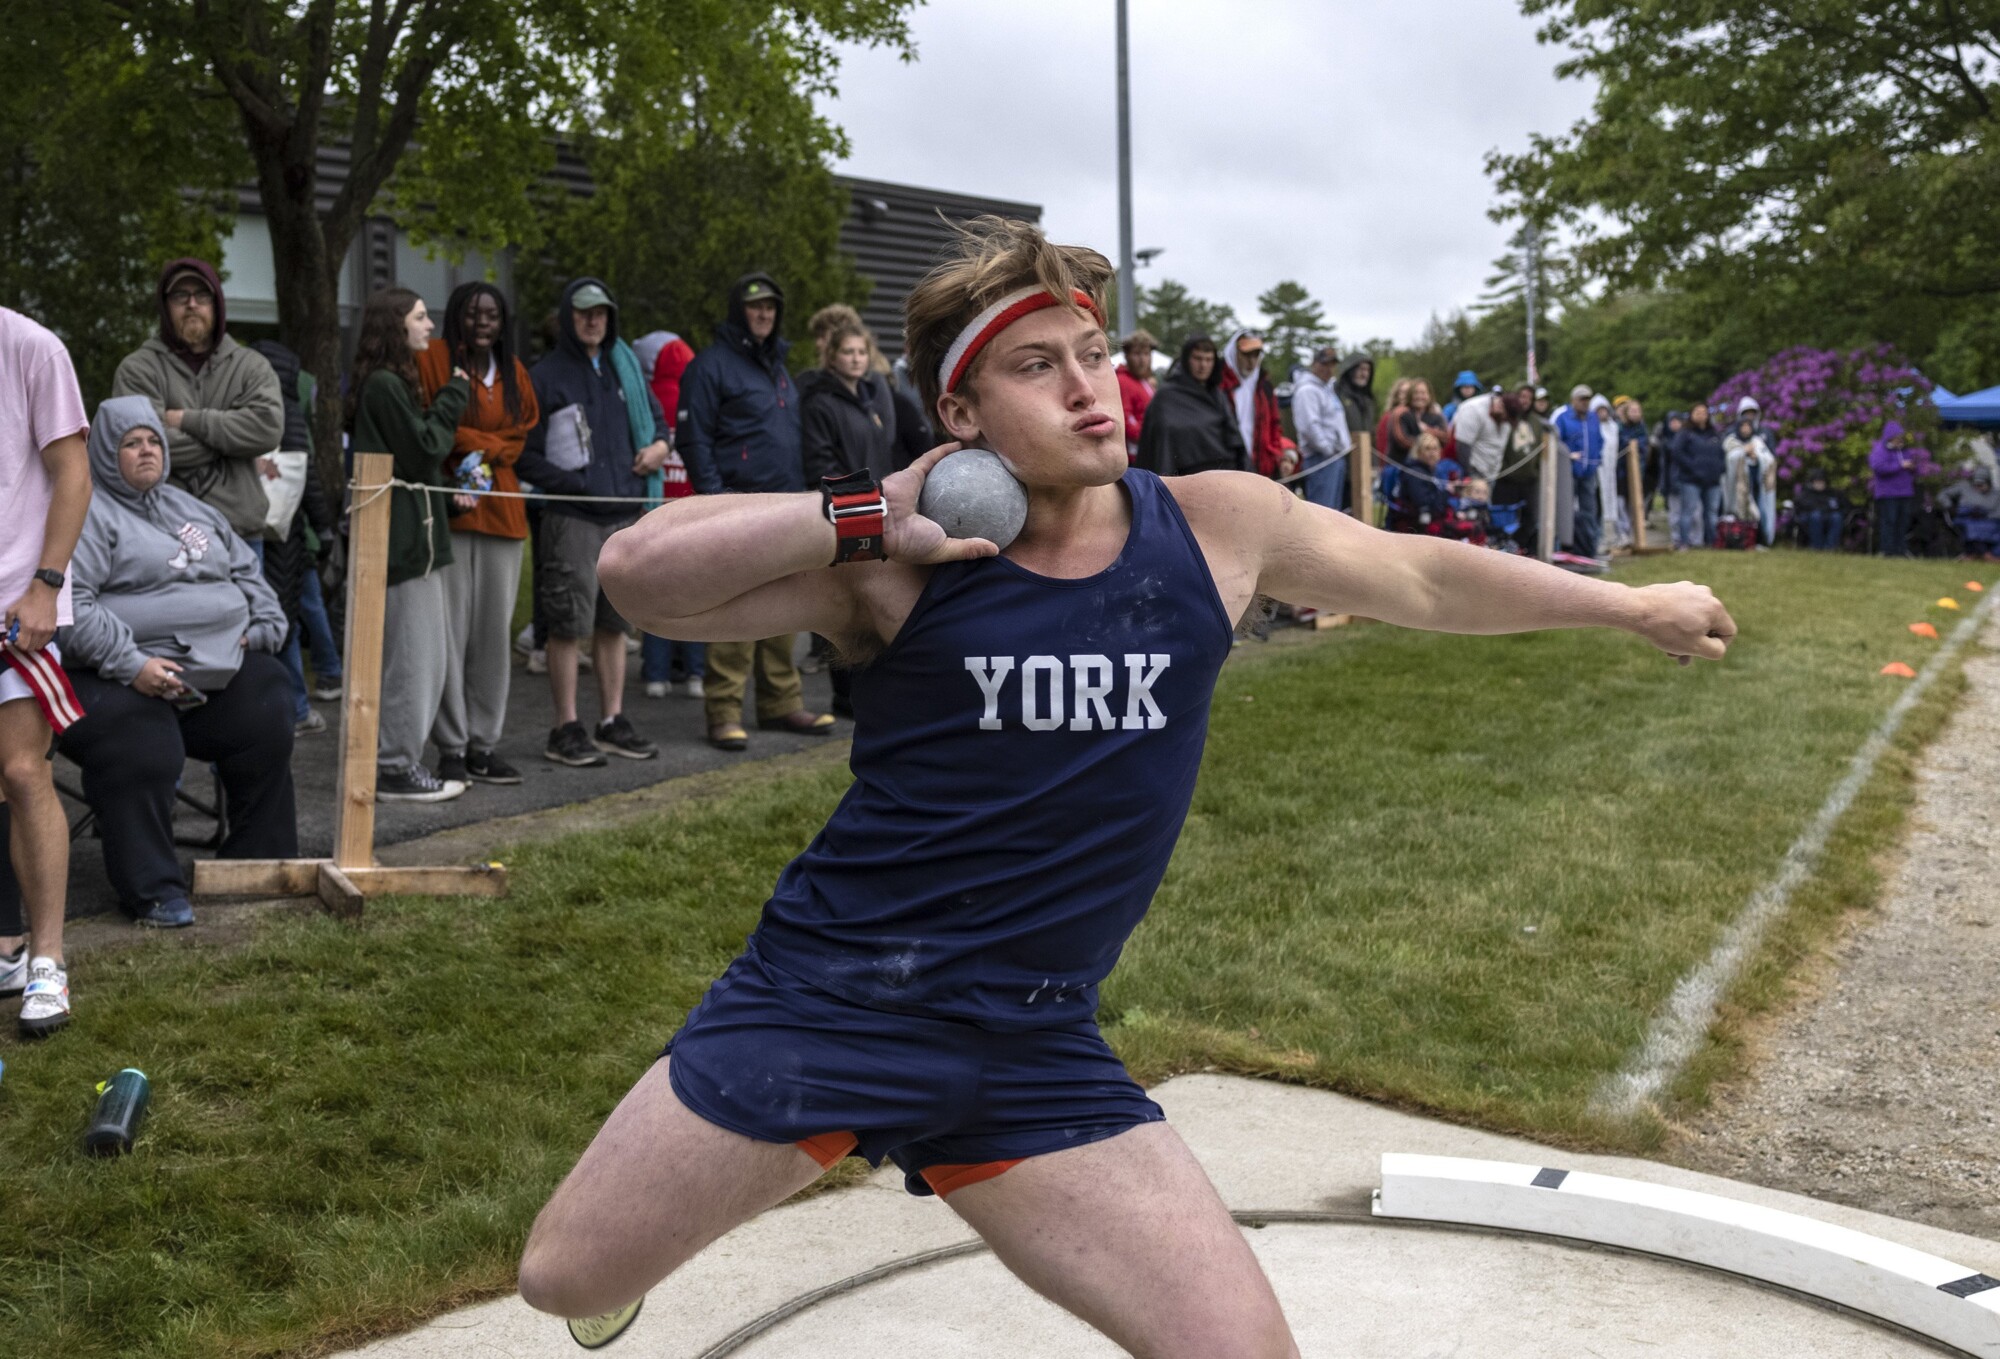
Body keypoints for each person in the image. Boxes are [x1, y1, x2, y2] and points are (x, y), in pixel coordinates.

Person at [518, 217, 1736, 1355]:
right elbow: (640, 577)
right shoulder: (897, 565)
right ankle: (645, 1254)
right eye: (1036, 367)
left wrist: (1626, 604)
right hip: (832, 1001)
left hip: (1032, 1037)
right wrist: (873, 512)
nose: (1086, 386)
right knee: (563, 1279)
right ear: (960, 412)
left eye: (1093, 354)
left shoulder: (1214, 526)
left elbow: (1421, 579)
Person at [50, 396, 298, 926]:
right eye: (130, 443)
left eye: (152, 441)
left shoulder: (196, 511)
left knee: (271, 699)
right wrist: (132, 663)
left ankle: (257, 861)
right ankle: (154, 890)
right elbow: (71, 611)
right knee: (143, 737)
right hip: (109, 676)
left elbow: (253, 582)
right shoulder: (86, 516)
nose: (146, 451)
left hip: (211, 672)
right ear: (104, 454)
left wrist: (259, 633)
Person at [676, 272, 835, 751]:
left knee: (784, 607)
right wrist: (713, 498)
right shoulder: (711, 366)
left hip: (785, 502)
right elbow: (693, 437)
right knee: (735, 612)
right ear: (738, 310)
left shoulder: (779, 366)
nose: (764, 313)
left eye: (771, 306)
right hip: (734, 505)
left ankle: (781, 705)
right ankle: (723, 712)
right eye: (754, 306)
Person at [516, 278, 668, 766]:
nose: (593, 320)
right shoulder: (544, 375)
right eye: (583, 313)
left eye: (601, 312)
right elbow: (525, 456)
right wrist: (574, 484)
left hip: (625, 514)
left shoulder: (625, 369)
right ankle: (565, 727)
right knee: (567, 625)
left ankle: (611, 721)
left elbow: (661, 426)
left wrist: (660, 448)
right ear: (567, 317)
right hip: (573, 517)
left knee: (613, 625)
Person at [0, 305, 91, 1038]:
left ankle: (49, 962)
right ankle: (6, 948)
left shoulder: (31, 345)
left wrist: (46, 584)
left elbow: (74, 476)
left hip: (15, 606)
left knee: (25, 773)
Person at [349, 287, 472, 801]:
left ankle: (402, 761)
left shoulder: (395, 383)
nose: (429, 325)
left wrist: (443, 505)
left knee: (431, 661)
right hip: (400, 553)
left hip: (417, 545)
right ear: (395, 325)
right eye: (421, 317)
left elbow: (406, 469)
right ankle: (396, 767)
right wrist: (454, 395)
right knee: (412, 664)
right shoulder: (382, 384)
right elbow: (422, 453)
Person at [417, 281, 540, 787]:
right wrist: (489, 444)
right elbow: (433, 423)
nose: (483, 321)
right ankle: (451, 747)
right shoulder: (435, 358)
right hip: (451, 513)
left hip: (503, 516)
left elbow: (523, 433)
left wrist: (483, 446)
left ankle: (484, 746)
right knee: (450, 635)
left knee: (492, 637)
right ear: (457, 317)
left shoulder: (514, 371)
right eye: (472, 313)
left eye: (492, 313)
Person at [112, 258, 284, 547]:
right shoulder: (137, 369)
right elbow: (144, 449)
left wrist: (186, 420)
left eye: (202, 295)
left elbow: (267, 430)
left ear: (216, 304)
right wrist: (229, 442)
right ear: (165, 307)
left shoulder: (251, 367)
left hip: (239, 536)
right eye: (181, 296)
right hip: (162, 536)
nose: (192, 304)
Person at [801, 322, 900, 720]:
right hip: (843, 513)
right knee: (843, 609)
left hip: (876, 508)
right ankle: (844, 697)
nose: (856, 359)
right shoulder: (820, 402)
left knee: (873, 604)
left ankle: (869, 692)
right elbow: (819, 461)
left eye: (862, 352)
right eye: (848, 352)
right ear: (832, 356)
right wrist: (851, 499)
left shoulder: (872, 398)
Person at [248, 338, 338, 736]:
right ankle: (299, 705)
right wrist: (324, 526)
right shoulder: (289, 410)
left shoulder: (250, 407)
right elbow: (306, 474)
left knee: (281, 615)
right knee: (289, 616)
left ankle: (296, 703)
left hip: (265, 529)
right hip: (286, 532)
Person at [631, 329, 705, 701]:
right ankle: (695, 673)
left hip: (656, 512)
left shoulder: (648, 398)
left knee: (656, 594)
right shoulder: (696, 396)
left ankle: (656, 674)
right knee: (696, 595)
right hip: (695, 511)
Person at [1135, 334, 1249, 477]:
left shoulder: (1217, 395)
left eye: (1209, 360)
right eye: (1198, 359)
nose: (1203, 365)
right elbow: (1162, 446)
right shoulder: (1166, 397)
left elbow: (1234, 438)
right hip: (1185, 477)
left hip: (1224, 474)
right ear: (1187, 360)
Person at [1216, 330, 1297, 479]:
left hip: (1261, 469)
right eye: (1246, 355)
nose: (1251, 361)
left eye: (1255, 355)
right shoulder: (1219, 385)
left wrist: (1277, 455)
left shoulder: (1264, 387)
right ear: (1234, 353)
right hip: (1227, 470)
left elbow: (1275, 426)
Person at [1289, 345, 1350, 511]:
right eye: (1325, 364)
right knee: (1323, 512)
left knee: (1335, 514)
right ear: (1315, 364)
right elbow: (1309, 425)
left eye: (1332, 364)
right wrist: (1327, 448)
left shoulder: (1327, 389)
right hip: (1321, 458)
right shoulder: (1307, 390)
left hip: (1335, 457)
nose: (1329, 369)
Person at [1491, 383, 1548, 551]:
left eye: (1529, 398)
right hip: (1507, 478)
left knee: (1529, 519)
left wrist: (1536, 470)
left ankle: (1522, 550)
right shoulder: (1505, 418)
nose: (1525, 401)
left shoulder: (1537, 423)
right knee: (1504, 519)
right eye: (1522, 397)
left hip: (1529, 480)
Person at [1553, 384, 1605, 557]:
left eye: (1587, 400)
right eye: (1581, 399)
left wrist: (1597, 458)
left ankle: (1590, 546)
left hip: (1589, 472)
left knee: (1590, 510)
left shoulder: (1593, 418)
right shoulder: (1563, 418)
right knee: (1566, 508)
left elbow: (1598, 440)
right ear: (1573, 400)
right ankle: (1565, 544)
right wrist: (1568, 454)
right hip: (1569, 472)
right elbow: (1555, 442)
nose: (1585, 403)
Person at [1668, 401, 1727, 550]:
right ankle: (1684, 542)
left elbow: (1721, 454)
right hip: (1690, 480)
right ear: (1691, 415)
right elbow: (1677, 452)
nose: (1702, 416)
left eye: (1704, 413)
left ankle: (1712, 542)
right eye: (1698, 412)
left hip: (1712, 480)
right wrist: (1693, 467)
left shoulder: (1714, 434)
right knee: (1689, 511)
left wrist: (1720, 468)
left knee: (1712, 513)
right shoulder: (1685, 433)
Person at [1868, 420, 1920, 557]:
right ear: (1890, 437)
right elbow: (1879, 468)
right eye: (1897, 437)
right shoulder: (1880, 451)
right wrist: (1900, 465)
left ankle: (1900, 549)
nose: (1900, 440)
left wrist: (1913, 467)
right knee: (1889, 521)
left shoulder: (1905, 451)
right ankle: (1887, 550)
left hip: (1905, 492)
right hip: (1888, 493)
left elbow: (1915, 469)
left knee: (1902, 522)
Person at [1722, 411, 1775, 542]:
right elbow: (1728, 459)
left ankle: (1758, 539)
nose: (1746, 429)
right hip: (1737, 486)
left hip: (1756, 484)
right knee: (1743, 511)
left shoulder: (1757, 441)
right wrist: (1743, 452)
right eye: (1743, 426)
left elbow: (1769, 460)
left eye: (1748, 426)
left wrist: (1757, 458)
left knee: (1758, 512)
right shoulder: (1731, 441)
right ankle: (1740, 539)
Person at [1735, 397, 1781, 541]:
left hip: (1761, 478)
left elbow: (1771, 456)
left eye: (1752, 413)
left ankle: (1763, 537)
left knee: (1762, 508)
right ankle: (1744, 537)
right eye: (1746, 413)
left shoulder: (1765, 433)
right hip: (1741, 479)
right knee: (1745, 506)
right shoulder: (1733, 433)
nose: (1750, 416)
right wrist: (1744, 452)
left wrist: (1758, 457)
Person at [1450, 383, 1509, 485]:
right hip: (1474, 470)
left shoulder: (1504, 415)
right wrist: (1467, 474)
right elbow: (1462, 445)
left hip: (1491, 472)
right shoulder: (1472, 409)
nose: (1499, 402)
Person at [1940, 466, 2000, 559]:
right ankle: (1982, 554)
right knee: (1971, 527)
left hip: (1987, 519)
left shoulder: (1996, 494)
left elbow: (1997, 513)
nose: (1978, 487)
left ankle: (1983, 554)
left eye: (1981, 485)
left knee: (1991, 527)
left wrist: (1984, 514)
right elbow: (1942, 495)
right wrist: (1950, 506)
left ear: (1988, 482)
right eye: (1976, 484)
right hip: (1966, 518)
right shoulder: (1964, 487)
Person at [1117, 329, 1157, 462]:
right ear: (1127, 356)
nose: (1142, 359)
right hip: (1135, 456)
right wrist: (1150, 437)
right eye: (1137, 353)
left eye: (1146, 354)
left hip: (1148, 449)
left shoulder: (1144, 381)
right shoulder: (1123, 381)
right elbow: (1125, 418)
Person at [1794, 468, 1846, 551]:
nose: (1819, 484)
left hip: (1828, 515)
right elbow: (1801, 507)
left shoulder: (1831, 493)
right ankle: (1817, 546)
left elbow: (1839, 506)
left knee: (1837, 517)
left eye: (1821, 482)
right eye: (1817, 482)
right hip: (1811, 516)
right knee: (1816, 516)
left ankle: (1830, 547)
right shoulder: (1806, 494)